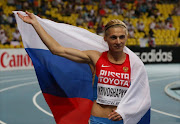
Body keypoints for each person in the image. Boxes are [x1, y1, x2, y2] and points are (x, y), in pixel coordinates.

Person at [17, 11, 150, 124]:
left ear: (127, 37)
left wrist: (125, 112)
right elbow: (57, 50)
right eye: (113, 37)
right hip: (98, 119)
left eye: (122, 37)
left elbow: (141, 97)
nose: (118, 41)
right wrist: (36, 24)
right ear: (105, 39)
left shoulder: (134, 65)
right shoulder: (95, 58)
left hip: (122, 120)